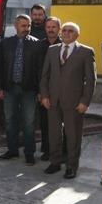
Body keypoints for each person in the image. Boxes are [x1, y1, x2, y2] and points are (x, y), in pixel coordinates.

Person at [40, 22, 96, 179]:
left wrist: (85, 101)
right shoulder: (52, 50)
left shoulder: (86, 52)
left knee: (73, 136)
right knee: (54, 134)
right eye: (64, 30)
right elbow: (45, 75)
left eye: (70, 31)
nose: (66, 33)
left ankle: (71, 166)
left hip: (74, 102)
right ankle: (55, 162)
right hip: (53, 100)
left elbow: (91, 80)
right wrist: (44, 95)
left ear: (77, 35)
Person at [0, 14, 43, 165]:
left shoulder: (36, 44)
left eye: (28, 26)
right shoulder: (5, 43)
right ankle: (12, 150)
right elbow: (0, 67)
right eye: (23, 26)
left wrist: (40, 91)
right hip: (9, 88)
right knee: (10, 121)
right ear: (16, 26)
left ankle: (29, 153)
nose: (26, 29)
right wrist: (0, 87)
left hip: (29, 89)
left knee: (29, 122)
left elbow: (40, 70)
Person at [38, 16, 62, 160]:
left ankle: (61, 151)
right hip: (44, 91)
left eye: (54, 27)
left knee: (60, 124)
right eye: (48, 27)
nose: (51, 30)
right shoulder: (39, 46)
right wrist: (40, 92)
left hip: (61, 92)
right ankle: (47, 150)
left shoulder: (65, 45)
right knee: (45, 123)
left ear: (59, 28)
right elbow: (36, 70)